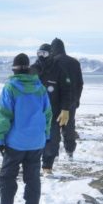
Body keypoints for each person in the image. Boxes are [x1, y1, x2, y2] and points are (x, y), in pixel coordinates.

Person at [0, 53, 51, 204]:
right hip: (36, 142)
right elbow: (48, 114)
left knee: (7, 177)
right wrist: (46, 135)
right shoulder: (40, 88)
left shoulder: (10, 87)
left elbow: (3, 115)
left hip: (15, 142)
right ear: (29, 69)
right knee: (33, 178)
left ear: (14, 69)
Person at [30, 39, 72, 174]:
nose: (41, 56)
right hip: (34, 112)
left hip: (54, 112)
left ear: (51, 54)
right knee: (33, 138)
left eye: (45, 53)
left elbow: (67, 91)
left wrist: (65, 109)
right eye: (39, 53)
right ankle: (32, 165)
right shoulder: (32, 70)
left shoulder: (59, 70)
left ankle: (47, 166)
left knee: (52, 140)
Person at [48, 38, 83, 161]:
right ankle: (70, 152)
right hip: (70, 101)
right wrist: (77, 99)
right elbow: (80, 83)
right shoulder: (74, 62)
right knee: (69, 126)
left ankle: (54, 154)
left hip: (54, 101)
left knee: (54, 127)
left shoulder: (52, 62)